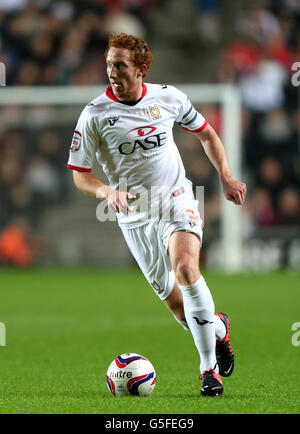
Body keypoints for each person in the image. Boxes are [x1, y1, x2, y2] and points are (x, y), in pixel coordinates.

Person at [67, 33, 247, 397]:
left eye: (120, 65)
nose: (112, 72)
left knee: (185, 269)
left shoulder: (169, 98)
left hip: (176, 199)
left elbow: (208, 135)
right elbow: (79, 174)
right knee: (179, 308)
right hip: (134, 218)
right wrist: (106, 191)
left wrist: (226, 176)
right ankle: (218, 328)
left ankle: (207, 370)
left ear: (141, 69)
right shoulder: (95, 115)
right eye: (108, 64)